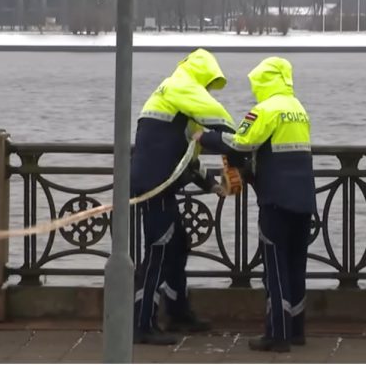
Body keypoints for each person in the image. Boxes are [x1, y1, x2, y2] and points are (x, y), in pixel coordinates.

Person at [194, 57, 316, 352]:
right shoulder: (298, 108)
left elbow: (241, 143)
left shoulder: (266, 109)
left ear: (263, 81)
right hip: (304, 199)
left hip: (276, 199)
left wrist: (207, 137)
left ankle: (278, 335)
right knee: (296, 265)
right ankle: (296, 330)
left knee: (274, 268)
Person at [131, 48, 236, 345]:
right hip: (156, 186)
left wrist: (211, 185)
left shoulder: (174, 95)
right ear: (202, 75)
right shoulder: (183, 87)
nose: (207, 90)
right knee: (158, 251)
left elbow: (187, 152)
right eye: (208, 84)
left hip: (157, 182)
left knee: (177, 244)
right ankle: (142, 325)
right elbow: (223, 122)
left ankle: (178, 312)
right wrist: (243, 144)